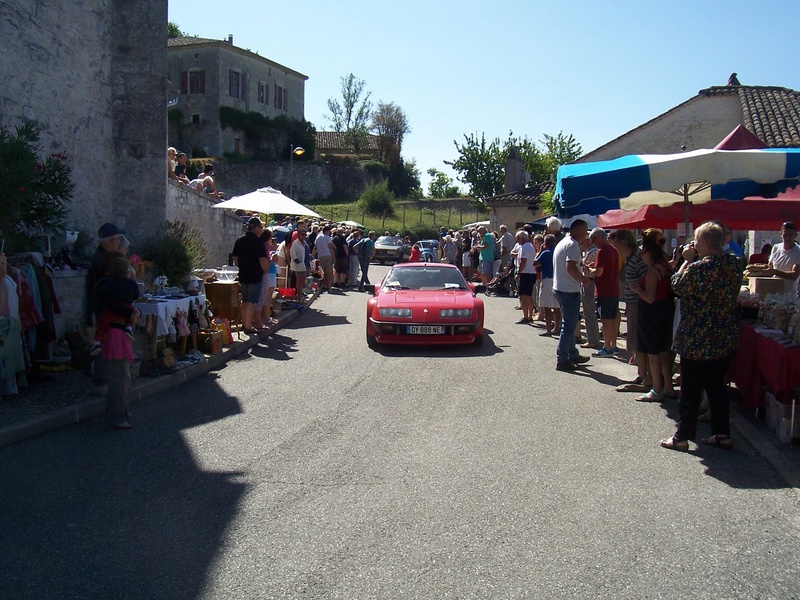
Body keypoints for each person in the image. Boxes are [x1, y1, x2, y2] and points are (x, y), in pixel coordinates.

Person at [661, 221, 742, 452]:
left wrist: (686, 260)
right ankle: (722, 433)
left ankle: (683, 436)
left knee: (690, 389)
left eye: (697, 240)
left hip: (697, 337)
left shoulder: (698, 269)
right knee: (717, 387)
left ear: (704, 243)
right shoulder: (734, 265)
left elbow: (676, 284)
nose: (694, 244)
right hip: (724, 335)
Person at [93, 254, 140, 429]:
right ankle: (116, 417)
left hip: (113, 333)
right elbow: (122, 306)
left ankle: (122, 412)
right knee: (119, 379)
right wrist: (131, 314)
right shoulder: (113, 291)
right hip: (115, 335)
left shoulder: (105, 287)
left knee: (123, 377)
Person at [629, 240, 677, 402]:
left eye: (642, 253)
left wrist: (637, 288)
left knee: (653, 353)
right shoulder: (667, 267)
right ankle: (668, 387)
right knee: (664, 351)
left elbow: (649, 298)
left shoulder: (653, 271)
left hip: (652, 314)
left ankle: (657, 389)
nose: (641, 256)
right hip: (665, 312)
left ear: (649, 253)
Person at [87, 222, 124, 395]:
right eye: (117, 239)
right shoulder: (103, 260)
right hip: (104, 308)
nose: (118, 242)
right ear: (110, 241)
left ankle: (102, 377)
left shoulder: (103, 257)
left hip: (105, 306)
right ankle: (100, 381)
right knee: (104, 342)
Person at [552, 219, 591, 371]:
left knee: (569, 323)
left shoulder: (564, 242)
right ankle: (562, 359)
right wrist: (583, 279)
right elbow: (570, 266)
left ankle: (572, 353)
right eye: (585, 230)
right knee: (569, 326)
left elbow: (570, 264)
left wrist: (580, 267)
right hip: (568, 290)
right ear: (578, 230)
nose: (586, 234)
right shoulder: (573, 244)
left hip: (561, 287)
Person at [584, 228, 620, 357]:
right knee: (613, 319)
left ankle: (607, 346)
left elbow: (599, 272)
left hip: (603, 290)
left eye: (594, 240)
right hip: (614, 289)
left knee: (605, 320)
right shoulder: (614, 250)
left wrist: (589, 268)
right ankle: (613, 345)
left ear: (599, 237)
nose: (594, 243)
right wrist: (595, 265)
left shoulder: (602, 251)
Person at [231, 217, 269, 334]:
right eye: (260, 228)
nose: (261, 230)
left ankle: (244, 323)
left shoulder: (240, 240)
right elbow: (262, 259)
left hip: (243, 273)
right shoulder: (258, 242)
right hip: (255, 274)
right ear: (255, 227)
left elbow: (235, 257)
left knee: (245, 299)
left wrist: (241, 266)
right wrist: (265, 270)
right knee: (251, 301)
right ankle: (248, 325)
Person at [576, 236, 601, 350]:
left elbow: (585, 266)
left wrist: (584, 266)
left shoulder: (592, 252)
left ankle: (592, 340)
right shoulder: (589, 251)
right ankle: (593, 338)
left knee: (589, 312)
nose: (581, 244)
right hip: (589, 282)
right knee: (589, 311)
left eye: (583, 242)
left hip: (589, 282)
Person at [534, 235, 560, 336]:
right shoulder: (558, 251)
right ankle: (557, 327)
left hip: (548, 279)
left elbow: (535, 263)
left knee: (547, 307)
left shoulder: (545, 253)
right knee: (557, 306)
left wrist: (540, 250)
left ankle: (549, 329)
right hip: (558, 279)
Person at [765, 221, 800, 295]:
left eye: (790, 235)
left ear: (795, 235)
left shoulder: (798, 251)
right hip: (773, 293)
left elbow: (794, 275)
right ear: (780, 234)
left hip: (790, 296)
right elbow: (770, 266)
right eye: (785, 235)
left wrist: (775, 272)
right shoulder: (775, 247)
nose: (787, 238)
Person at [255, 228, 278, 328]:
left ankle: (264, 317)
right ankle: (264, 317)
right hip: (269, 273)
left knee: (265, 297)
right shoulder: (264, 247)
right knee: (266, 298)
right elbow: (267, 262)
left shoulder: (265, 246)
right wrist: (272, 259)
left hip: (270, 272)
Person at [514, 231, 537, 324]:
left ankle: (526, 316)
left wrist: (518, 273)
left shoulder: (525, 247)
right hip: (532, 272)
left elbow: (523, 261)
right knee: (528, 295)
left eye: (518, 238)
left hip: (526, 273)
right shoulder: (530, 246)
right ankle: (529, 316)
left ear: (522, 238)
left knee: (523, 295)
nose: (517, 240)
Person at [313, 225, 335, 292]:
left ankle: (324, 285)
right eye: (329, 231)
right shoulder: (327, 237)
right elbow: (330, 248)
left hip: (321, 256)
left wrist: (312, 255)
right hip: (328, 255)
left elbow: (315, 248)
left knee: (323, 272)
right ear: (326, 231)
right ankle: (328, 286)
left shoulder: (318, 237)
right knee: (328, 272)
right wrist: (334, 257)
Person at [290, 229, 309, 297]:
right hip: (298, 264)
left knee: (303, 279)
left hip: (303, 263)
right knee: (299, 280)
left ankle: (300, 292)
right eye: (302, 234)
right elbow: (292, 252)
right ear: (298, 235)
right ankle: (299, 294)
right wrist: (296, 260)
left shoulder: (304, 242)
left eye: (305, 235)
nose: (304, 236)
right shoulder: (295, 243)